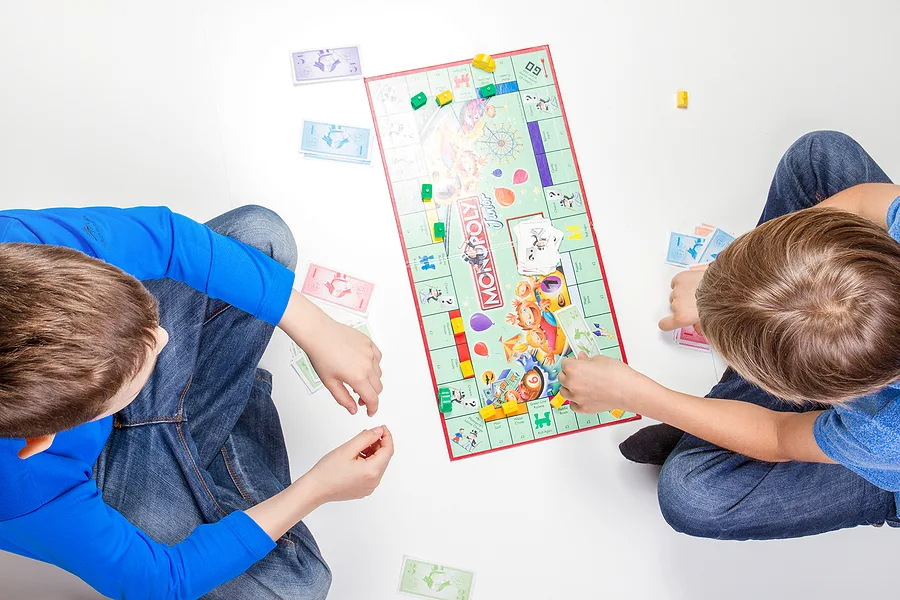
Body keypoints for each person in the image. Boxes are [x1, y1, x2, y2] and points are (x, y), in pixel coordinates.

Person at [0, 204, 394, 598]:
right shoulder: (27, 492)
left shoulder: (19, 243)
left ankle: (206, 415)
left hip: (94, 375)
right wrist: (317, 487)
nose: (165, 337)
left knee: (261, 237)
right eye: (146, 361)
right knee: (299, 586)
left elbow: (167, 237)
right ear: (41, 440)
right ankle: (217, 406)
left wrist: (318, 328)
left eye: (150, 323)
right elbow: (162, 582)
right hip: (100, 476)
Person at [558, 131, 900, 540]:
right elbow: (863, 202)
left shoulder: (881, 436)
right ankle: (719, 411)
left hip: (889, 465)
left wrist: (638, 395)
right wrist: (738, 282)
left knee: (693, 496)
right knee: (818, 154)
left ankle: (714, 418)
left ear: (800, 392)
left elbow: (777, 435)